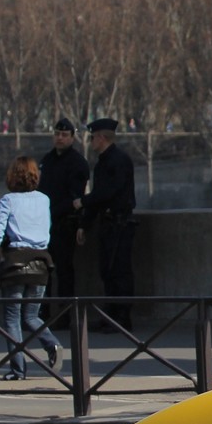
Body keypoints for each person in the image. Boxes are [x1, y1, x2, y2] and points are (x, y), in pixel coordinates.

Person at [0, 156, 62, 380]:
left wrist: (3, 253)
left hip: (15, 264)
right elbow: (46, 230)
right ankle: (53, 345)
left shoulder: (8, 200)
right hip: (41, 262)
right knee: (32, 315)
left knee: (12, 318)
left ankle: (18, 369)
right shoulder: (44, 200)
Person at [75, 117, 137, 331]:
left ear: (101, 137)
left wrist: (83, 201)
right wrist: (85, 224)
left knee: (119, 271)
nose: (91, 141)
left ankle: (121, 316)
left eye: (92, 137)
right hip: (109, 223)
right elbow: (100, 198)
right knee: (108, 271)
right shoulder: (104, 161)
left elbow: (107, 193)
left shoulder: (118, 160)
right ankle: (110, 314)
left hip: (119, 223)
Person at [38, 118, 89, 319]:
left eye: (64, 135)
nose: (59, 138)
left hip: (64, 223)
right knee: (43, 271)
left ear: (72, 138)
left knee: (64, 270)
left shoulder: (77, 163)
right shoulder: (47, 160)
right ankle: (42, 312)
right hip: (44, 224)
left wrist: (51, 212)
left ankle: (65, 315)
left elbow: (73, 197)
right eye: (57, 134)